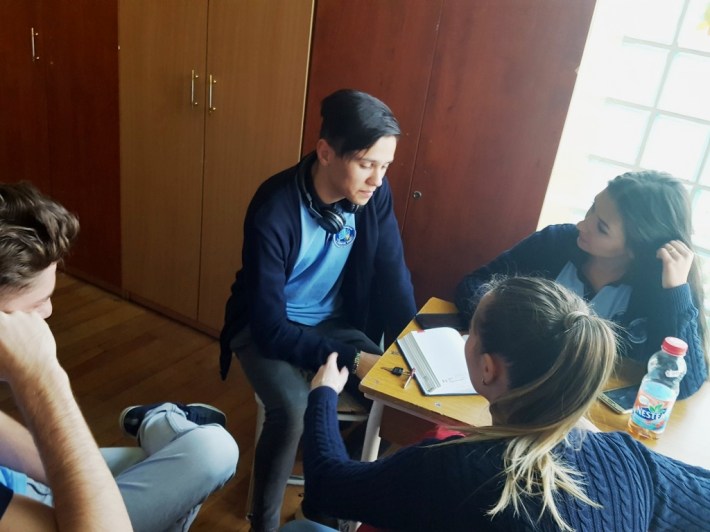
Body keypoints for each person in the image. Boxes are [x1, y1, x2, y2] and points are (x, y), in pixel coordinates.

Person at [290, 277, 710, 531]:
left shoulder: (455, 469)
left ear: (488, 369)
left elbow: (328, 486)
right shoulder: (625, 456)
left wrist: (323, 395)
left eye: (471, 332)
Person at [219, 88, 417, 531]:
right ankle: (262, 524)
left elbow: (393, 276)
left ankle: (324, 506)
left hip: (331, 323)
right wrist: (356, 358)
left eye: (386, 166)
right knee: (291, 411)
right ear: (325, 153)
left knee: (396, 391)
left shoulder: (373, 195)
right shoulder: (275, 207)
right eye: (366, 164)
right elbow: (270, 328)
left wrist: (413, 350)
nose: (377, 179)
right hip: (265, 325)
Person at [0, 182, 239, 531]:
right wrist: (42, 377)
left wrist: (72, 478)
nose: (48, 312)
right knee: (206, 451)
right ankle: (159, 421)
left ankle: (157, 421)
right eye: (34, 305)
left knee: (211, 449)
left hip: (32, 487)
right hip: (38, 512)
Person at [455, 170, 707, 399]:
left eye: (602, 227)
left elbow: (683, 384)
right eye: (592, 208)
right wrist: (505, 333)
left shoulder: (662, 287)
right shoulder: (555, 243)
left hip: (588, 412)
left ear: (637, 248)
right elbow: (473, 284)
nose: (582, 225)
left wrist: (676, 292)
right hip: (518, 391)